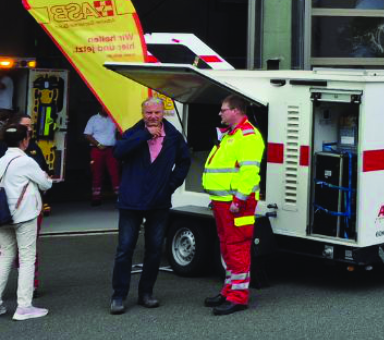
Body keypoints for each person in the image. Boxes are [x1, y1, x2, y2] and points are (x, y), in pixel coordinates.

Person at [109, 98, 191, 315]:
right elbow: (118, 153)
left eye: (157, 112)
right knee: (124, 250)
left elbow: (185, 161)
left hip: (158, 203)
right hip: (131, 202)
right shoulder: (133, 132)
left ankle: (146, 293)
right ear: (143, 113)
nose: (153, 116)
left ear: (163, 113)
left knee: (154, 250)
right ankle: (118, 296)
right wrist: (145, 135)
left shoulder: (173, 136)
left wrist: (170, 185)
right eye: (149, 113)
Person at [202, 94, 264, 316]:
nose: (220, 113)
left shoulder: (248, 136)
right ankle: (229, 291)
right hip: (224, 202)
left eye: (223, 109)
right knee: (227, 247)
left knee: (237, 247)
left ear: (236, 111)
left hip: (237, 203)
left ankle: (238, 297)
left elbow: (249, 173)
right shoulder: (232, 134)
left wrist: (239, 199)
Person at [0, 124, 52, 320]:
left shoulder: (1, 160)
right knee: (27, 258)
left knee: (5, 256)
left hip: (2, 216)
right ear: (25, 140)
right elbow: (46, 183)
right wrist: (45, 178)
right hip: (23, 215)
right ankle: (24, 307)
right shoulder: (26, 161)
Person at [84, 106, 120, 206]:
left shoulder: (114, 118)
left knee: (115, 172)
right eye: (105, 107)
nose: (107, 109)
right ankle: (96, 198)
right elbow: (87, 135)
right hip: (97, 149)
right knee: (97, 172)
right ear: (101, 107)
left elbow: (119, 133)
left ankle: (120, 197)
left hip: (111, 150)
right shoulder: (93, 119)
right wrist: (99, 145)